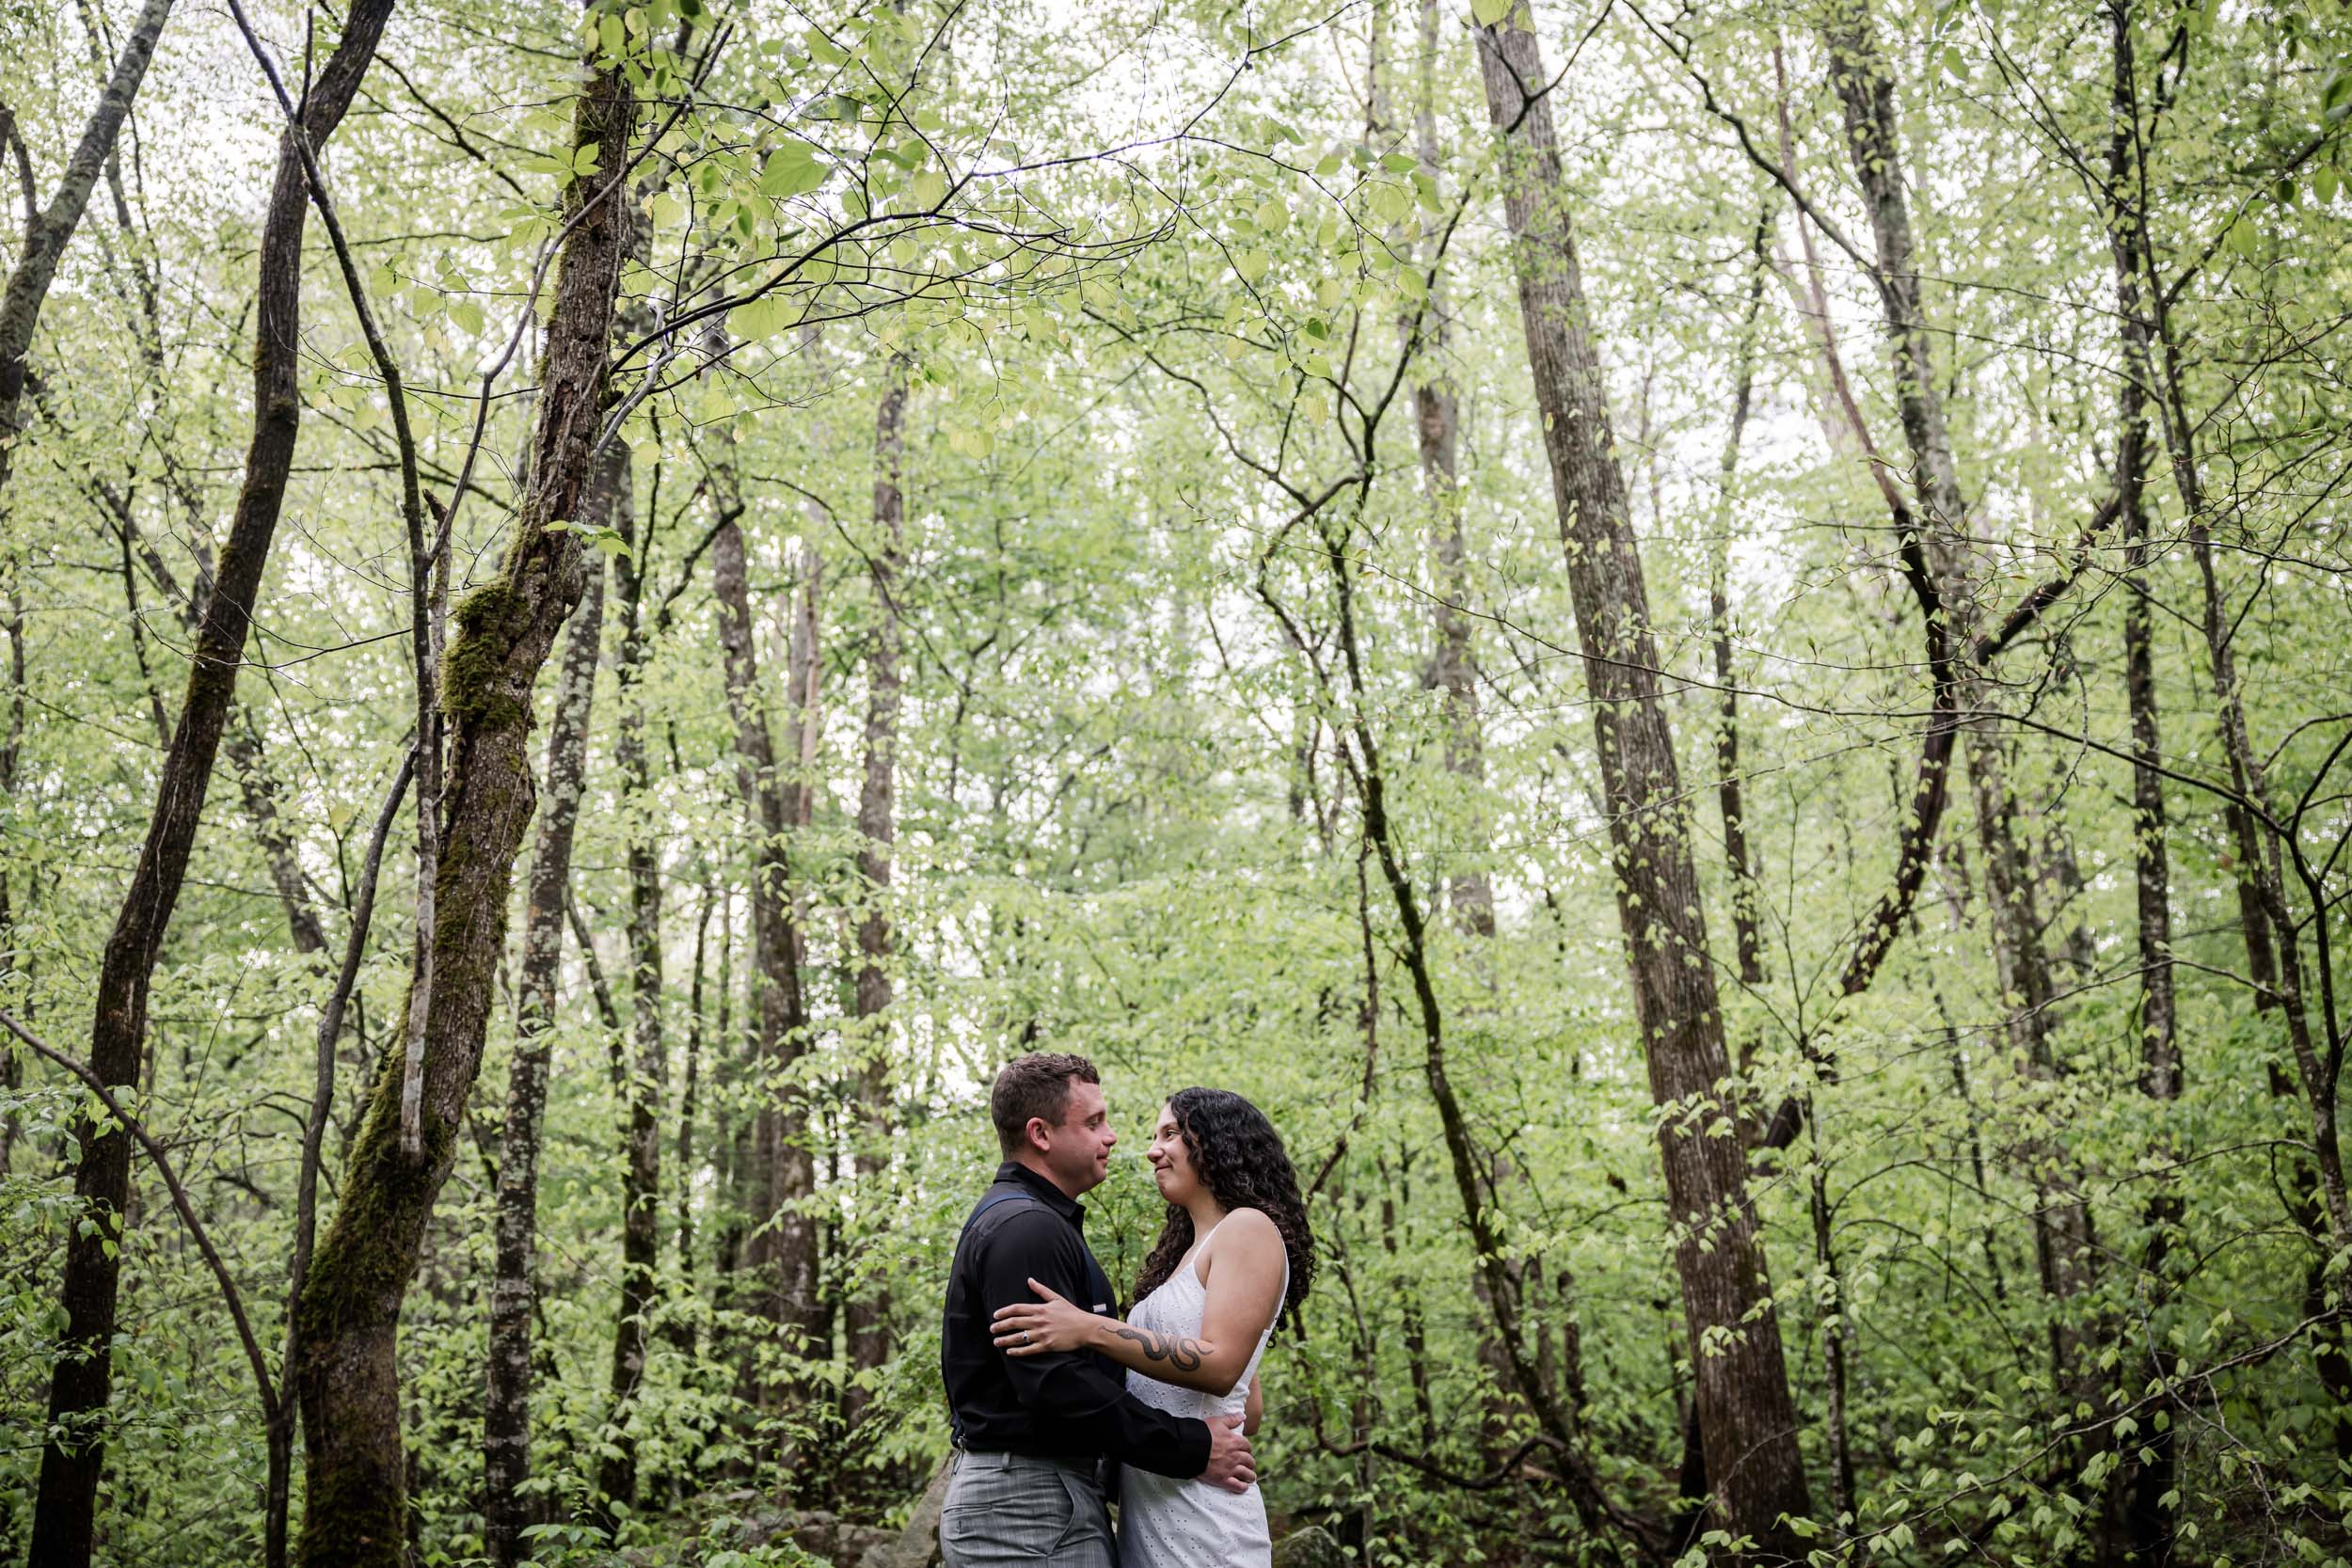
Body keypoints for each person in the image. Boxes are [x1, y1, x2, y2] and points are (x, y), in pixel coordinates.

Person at [940, 1054, 1256, 1568]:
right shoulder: (1026, 1228)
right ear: (1041, 1134)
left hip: (1044, 1498)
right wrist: (1187, 1446)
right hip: (1027, 1507)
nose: (1111, 1137)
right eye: (1093, 1123)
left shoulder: (1037, 1222)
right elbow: (1054, 1384)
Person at [992, 1086, 1315, 1568]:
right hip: (1155, 1504)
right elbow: (1249, 1402)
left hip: (1205, 1522)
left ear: (1217, 1141)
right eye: (1154, 1136)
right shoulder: (1186, 1252)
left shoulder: (1248, 1228)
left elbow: (1225, 1366)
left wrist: (1089, 1329)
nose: (1151, 1149)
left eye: (1170, 1134)